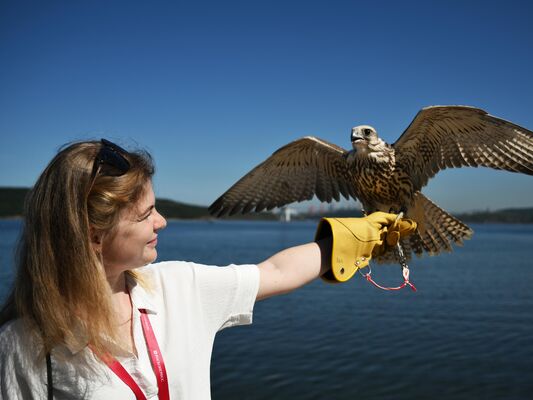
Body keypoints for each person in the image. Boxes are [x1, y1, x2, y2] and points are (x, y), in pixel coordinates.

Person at [0, 139, 415, 399]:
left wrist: (351, 236)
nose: (162, 222)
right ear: (93, 235)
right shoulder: (23, 346)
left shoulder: (178, 287)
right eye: (146, 214)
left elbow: (275, 272)